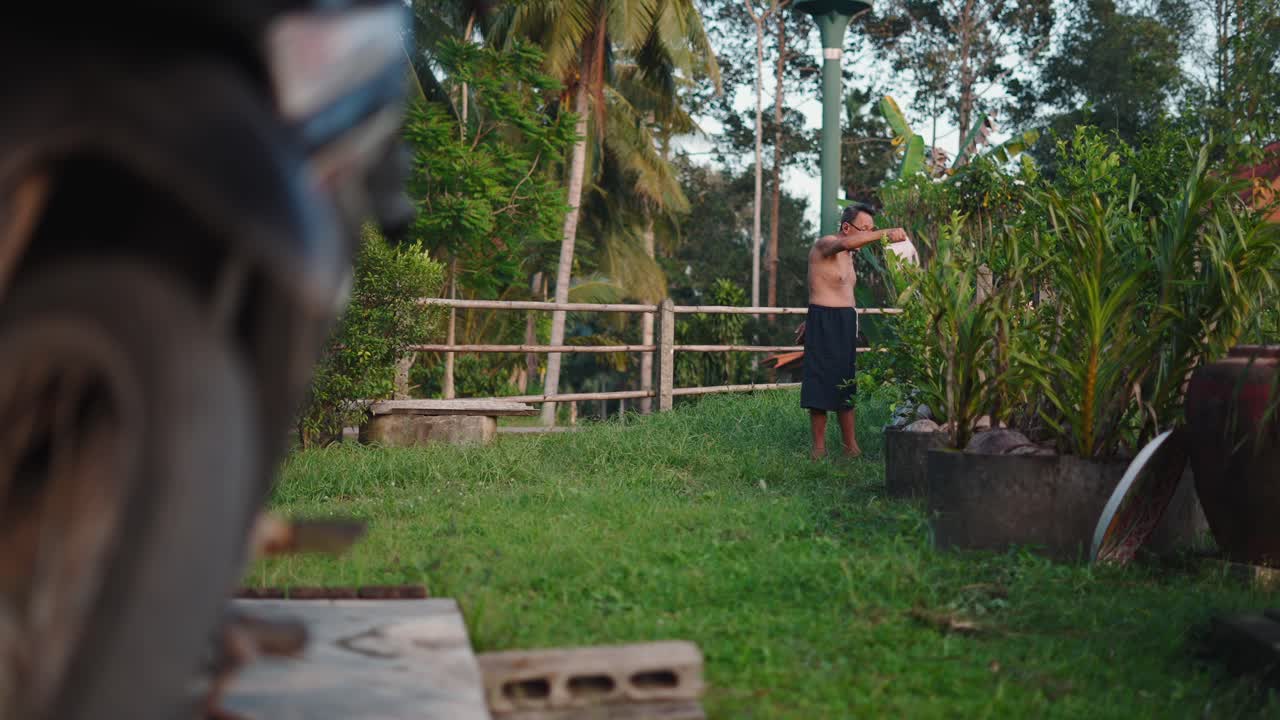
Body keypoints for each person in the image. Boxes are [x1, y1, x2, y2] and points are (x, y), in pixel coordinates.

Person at [802, 202, 908, 460]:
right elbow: (845, 246)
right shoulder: (826, 244)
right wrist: (886, 233)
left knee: (845, 380)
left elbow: (831, 286)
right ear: (847, 228)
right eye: (864, 229)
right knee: (820, 383)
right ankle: (818, 449)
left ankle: (851, 447)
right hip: (824, 320)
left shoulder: (850, 257)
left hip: (845, 321)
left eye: (872, 229)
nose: (868, 235)